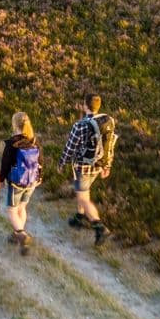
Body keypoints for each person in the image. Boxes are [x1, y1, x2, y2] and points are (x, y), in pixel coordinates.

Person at [62, 92, 117, 244]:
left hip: (83, 166)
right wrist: (107, 165)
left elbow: (70, 147)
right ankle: (79, 217)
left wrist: (62, 162)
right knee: (84, 191)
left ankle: (100, 227)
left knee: (83, 198)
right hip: (98, 166)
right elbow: (110, 145)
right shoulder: (108, 121)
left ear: (84, 105)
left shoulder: (80, 125)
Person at [0, 112, 43, 256]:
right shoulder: (34, 140)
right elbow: (40, 161)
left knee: (12, 210)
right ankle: (16, 234)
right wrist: (40, 177)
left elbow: (5, 164)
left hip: (17, 182)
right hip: (32, 182)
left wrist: (1, 179)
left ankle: (22, 235)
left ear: (15, 124)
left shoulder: (12, 143)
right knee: (22, 207)